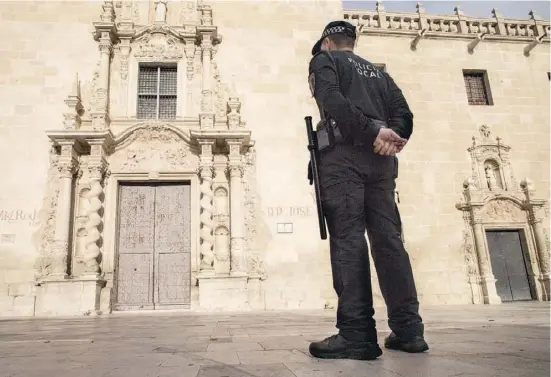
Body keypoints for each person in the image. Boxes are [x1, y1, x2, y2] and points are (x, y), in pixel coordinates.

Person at [307, 20, 429, 360]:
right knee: (389, 242)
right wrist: (392, 137)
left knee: (348, 240)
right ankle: (408, 331)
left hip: (344, 158)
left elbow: (330, 99)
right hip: (382, 162)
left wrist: (367, 133)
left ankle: (357, 335)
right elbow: (404, 114)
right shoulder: (380, 74)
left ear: (327, 43)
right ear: (352, 43)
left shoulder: (324, 60)